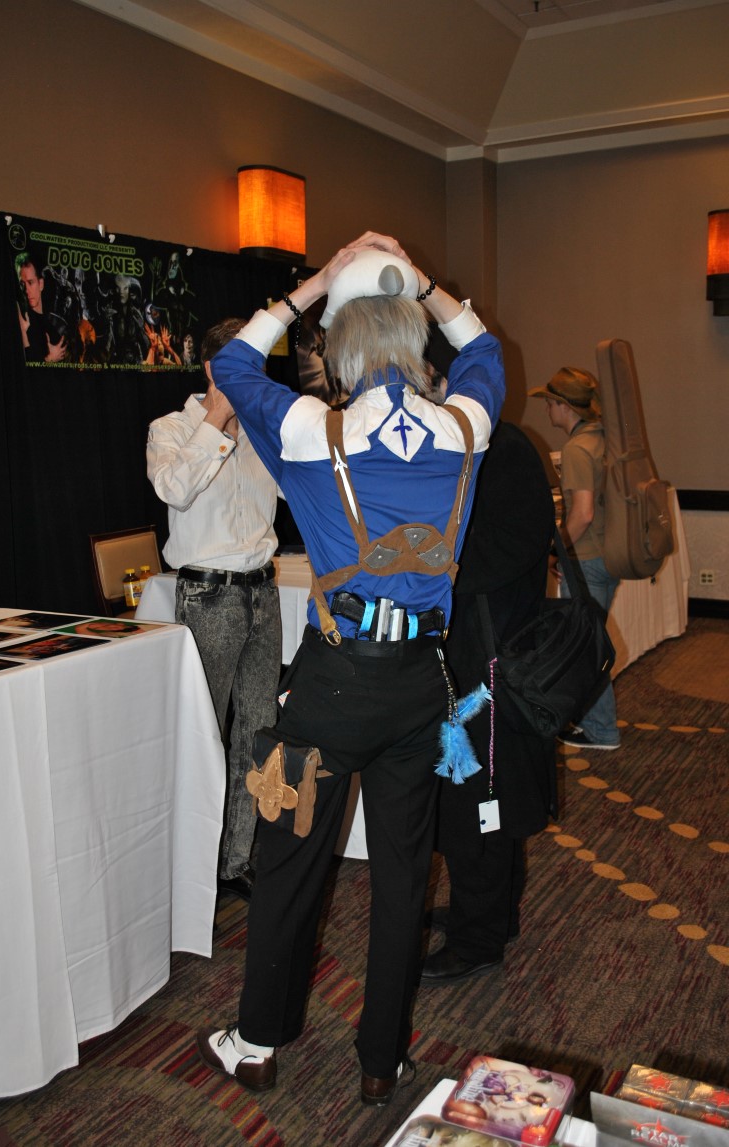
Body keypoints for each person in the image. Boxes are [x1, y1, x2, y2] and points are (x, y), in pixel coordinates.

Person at [193, 232, 505, 1106]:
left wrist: (313, 283)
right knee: (404, 874)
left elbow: (234, 361)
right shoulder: (466, 423)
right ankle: (382, 1058)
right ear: (412, 334)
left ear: (337, 346)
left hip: (329, 689)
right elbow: (483, 349)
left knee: (289, 859)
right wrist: (424, 281)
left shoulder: (309, 427)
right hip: (419, 688)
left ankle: (258, 1040)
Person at [146, 319, 282, 902]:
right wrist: (219, 418)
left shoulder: (263, 430)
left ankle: (236, 858)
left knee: (258, 729)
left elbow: (300, 487)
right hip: (208, 597)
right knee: (206, 734)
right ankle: (193, 863)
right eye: (243, 365)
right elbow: (174, 490)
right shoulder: (171, 428)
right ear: (212, 369)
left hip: (263, 593)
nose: (255, 376)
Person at [420, 421, 557, 985]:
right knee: (484, 796)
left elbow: (504, 548)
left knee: (477, 799)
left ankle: (478, 936)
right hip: (486, 654)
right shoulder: (491, 444)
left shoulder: (501, 448)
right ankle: (493, 915)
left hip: (488, 664)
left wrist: (431, 556)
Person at [528, 367, 620, 750]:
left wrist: (556, 550)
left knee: (584, 649)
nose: (547, 410)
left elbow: (582, 514)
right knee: (591, 642)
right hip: (609, 555)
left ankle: (601, 731)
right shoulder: (604, 438)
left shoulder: (577, 449)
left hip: (587, 559)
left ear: (564, 406)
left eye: (549, 403)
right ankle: (594, 724)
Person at [15, 253, 67, 363]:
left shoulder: (52, 325)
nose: (27, 290)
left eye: (30, 282)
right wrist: (49, 359)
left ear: (41, 284)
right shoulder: (23, 323)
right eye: (22, 284)